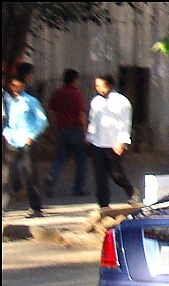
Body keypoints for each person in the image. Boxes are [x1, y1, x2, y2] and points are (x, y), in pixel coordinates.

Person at [86, 74, 139, 208]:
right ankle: (103, 205)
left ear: (109, 85)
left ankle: (131, 190)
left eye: (101, 86)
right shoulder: (96, 102)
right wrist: (89, 135)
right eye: (97, 86)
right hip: (97, 142)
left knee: (116, 173)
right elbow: (93, 120)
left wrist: (122, 141)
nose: (98, 89)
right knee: (100, 176)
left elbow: (126, 123)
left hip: (113, 143)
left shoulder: (122, 102)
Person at [2, 75, 48, 217]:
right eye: (13, 86)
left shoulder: (30, 101)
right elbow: (8, 121)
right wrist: (7, 133)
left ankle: (35, 207)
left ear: (23, 86)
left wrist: (32, 135)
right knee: (6, 175)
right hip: (13, 140)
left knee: (30, 175)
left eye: (18, 86)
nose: (15, 89)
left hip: (27, 140)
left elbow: (42, 120)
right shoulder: (9, 101)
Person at [44, 68, 89, 197]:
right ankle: (78, 188)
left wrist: (53, 127)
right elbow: (81, 113)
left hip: (61, 130)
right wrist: (85, 131)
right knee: (81, 160)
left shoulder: (57, 93)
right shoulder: (77, 94)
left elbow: (51, 111)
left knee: (61, 158)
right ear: (75, 80)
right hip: (75, 130)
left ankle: (51, 177)